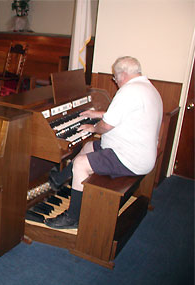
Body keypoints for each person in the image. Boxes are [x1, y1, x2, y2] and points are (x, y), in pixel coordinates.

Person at [45, 56, 163, 229]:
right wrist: (98, 114)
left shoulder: (128, 92)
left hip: (129, 158)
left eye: (115, 78)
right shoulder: (147, 88)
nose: (115, 82)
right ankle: (60, 179)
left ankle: (73, 218)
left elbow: (106, 126)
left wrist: (93, 129)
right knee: (88, 147)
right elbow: (128, 113)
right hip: (136, 150)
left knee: (80, 164)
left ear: (122, 75)